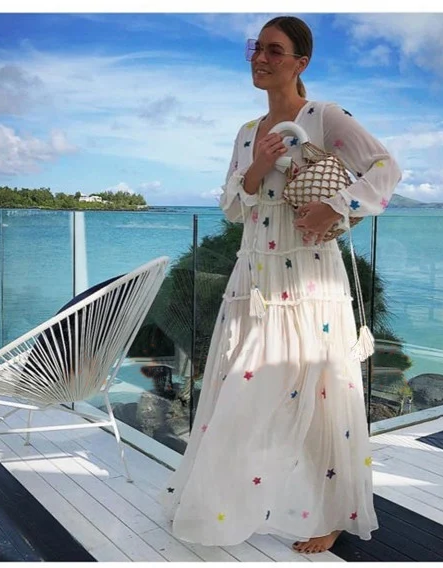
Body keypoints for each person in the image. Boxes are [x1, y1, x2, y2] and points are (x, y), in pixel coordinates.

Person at [158, 15, 401, 554]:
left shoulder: (324, 117)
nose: (260, 58)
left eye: (274, 50)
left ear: (299, 62)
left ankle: (334, 512)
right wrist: (256, 167)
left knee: (322, 397)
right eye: (256, 48)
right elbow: (231, 206)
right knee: (240, 393)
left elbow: (386, 169)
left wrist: (336, 206)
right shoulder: (248, 132)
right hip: (254, 277)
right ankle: (232, 499)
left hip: (311, 280)